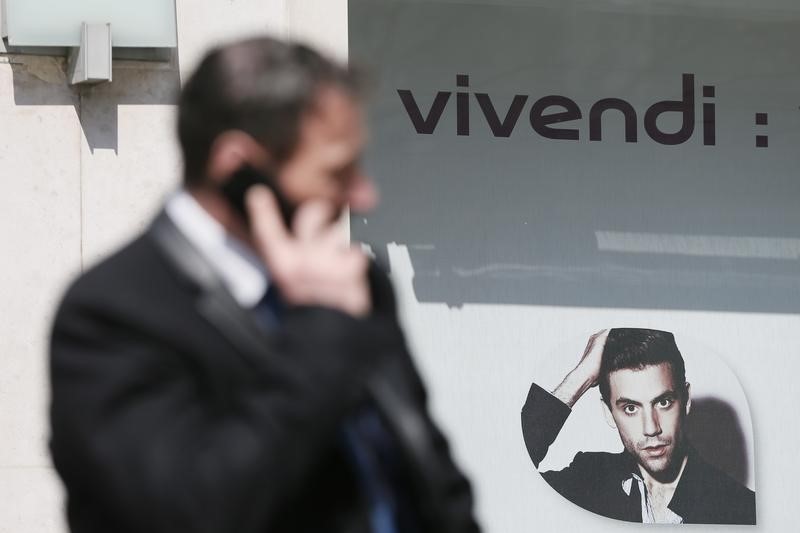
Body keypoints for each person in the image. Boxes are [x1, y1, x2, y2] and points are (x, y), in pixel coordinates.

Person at [49, 37, 479, 533]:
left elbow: (431, 479)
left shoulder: (356, 283)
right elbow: (191, 510)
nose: (363, 195)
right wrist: (321, 331)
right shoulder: (113, 313)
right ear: (239, 168)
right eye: (336, 172)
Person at [521, 328, 755, 525]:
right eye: (631, 408)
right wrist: (580, 378)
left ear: (686, 401)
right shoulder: (588, 479)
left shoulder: (740, 506)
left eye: (663, 403)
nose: (651, 428)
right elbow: (505, 478)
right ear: (608, 412)